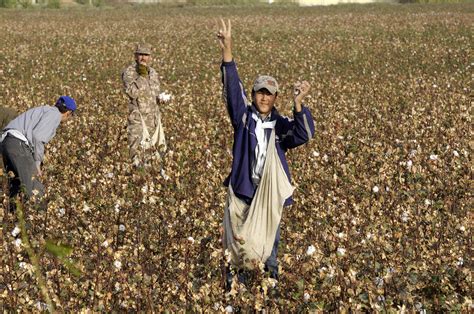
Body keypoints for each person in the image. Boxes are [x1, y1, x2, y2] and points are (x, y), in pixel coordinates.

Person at [217, 19, 315, 290]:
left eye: (269, 94)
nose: (264, 98)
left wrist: (298, 104)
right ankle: (234, 293)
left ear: (275, 98)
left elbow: (304, 134)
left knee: (269, 249)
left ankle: (268, 293)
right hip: (243, 193)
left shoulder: (281, 126)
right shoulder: (243, 118)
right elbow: (231, 91)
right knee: (236, 250)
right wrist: (228, 51)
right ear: (254, 95)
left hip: (268, 197)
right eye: (260, 93)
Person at [0, 96, 76, 209]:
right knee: (35, 188)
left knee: (16, 186)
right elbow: (38, 137)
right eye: (72, 115)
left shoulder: (45, 110)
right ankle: (34, 222)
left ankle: (12, 219)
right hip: (18, 144)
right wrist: (37, 162)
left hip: (7, 143)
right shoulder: (54, 115)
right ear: (68, 112)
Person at [121, 43, 167, 169]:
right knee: (137, 156)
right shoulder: (129, 72)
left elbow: (154, 94)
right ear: (135, 56)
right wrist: (141, 77)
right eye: (141, 54)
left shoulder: (153, 73)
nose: (143, 58)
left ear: (150, 57)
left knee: (154, 157)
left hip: (153, 121)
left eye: (146, 55)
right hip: (137, 120)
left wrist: (162, 99)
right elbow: (132, 92)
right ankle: (137, 181)